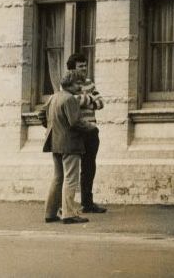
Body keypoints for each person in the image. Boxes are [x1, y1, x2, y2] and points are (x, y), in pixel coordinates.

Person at [43, 71, 96, 224]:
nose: (80, 87)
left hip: (55, 142)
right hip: (71, 144)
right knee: (71, 179)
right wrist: (91, 127)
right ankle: (69, 214)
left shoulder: (54, 97)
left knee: (57, 178)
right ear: (70, 85)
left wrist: (52, 128)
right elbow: (76, 122)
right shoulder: (70, 99)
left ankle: (50, 213)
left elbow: (41, 115)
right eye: (77, 84)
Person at [66, 51, 106, 214]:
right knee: (72, 169)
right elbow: (70, 102)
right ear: (72, 69)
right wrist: (90, 100)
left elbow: (101, 103)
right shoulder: (67, 83)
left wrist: (85, 101)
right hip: (76, 130)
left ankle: (87, 203)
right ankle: (66, 204)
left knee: (89, 167)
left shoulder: (89, 83)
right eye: (81, 67)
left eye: (85, 66)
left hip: (91, 130)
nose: (84, 69)